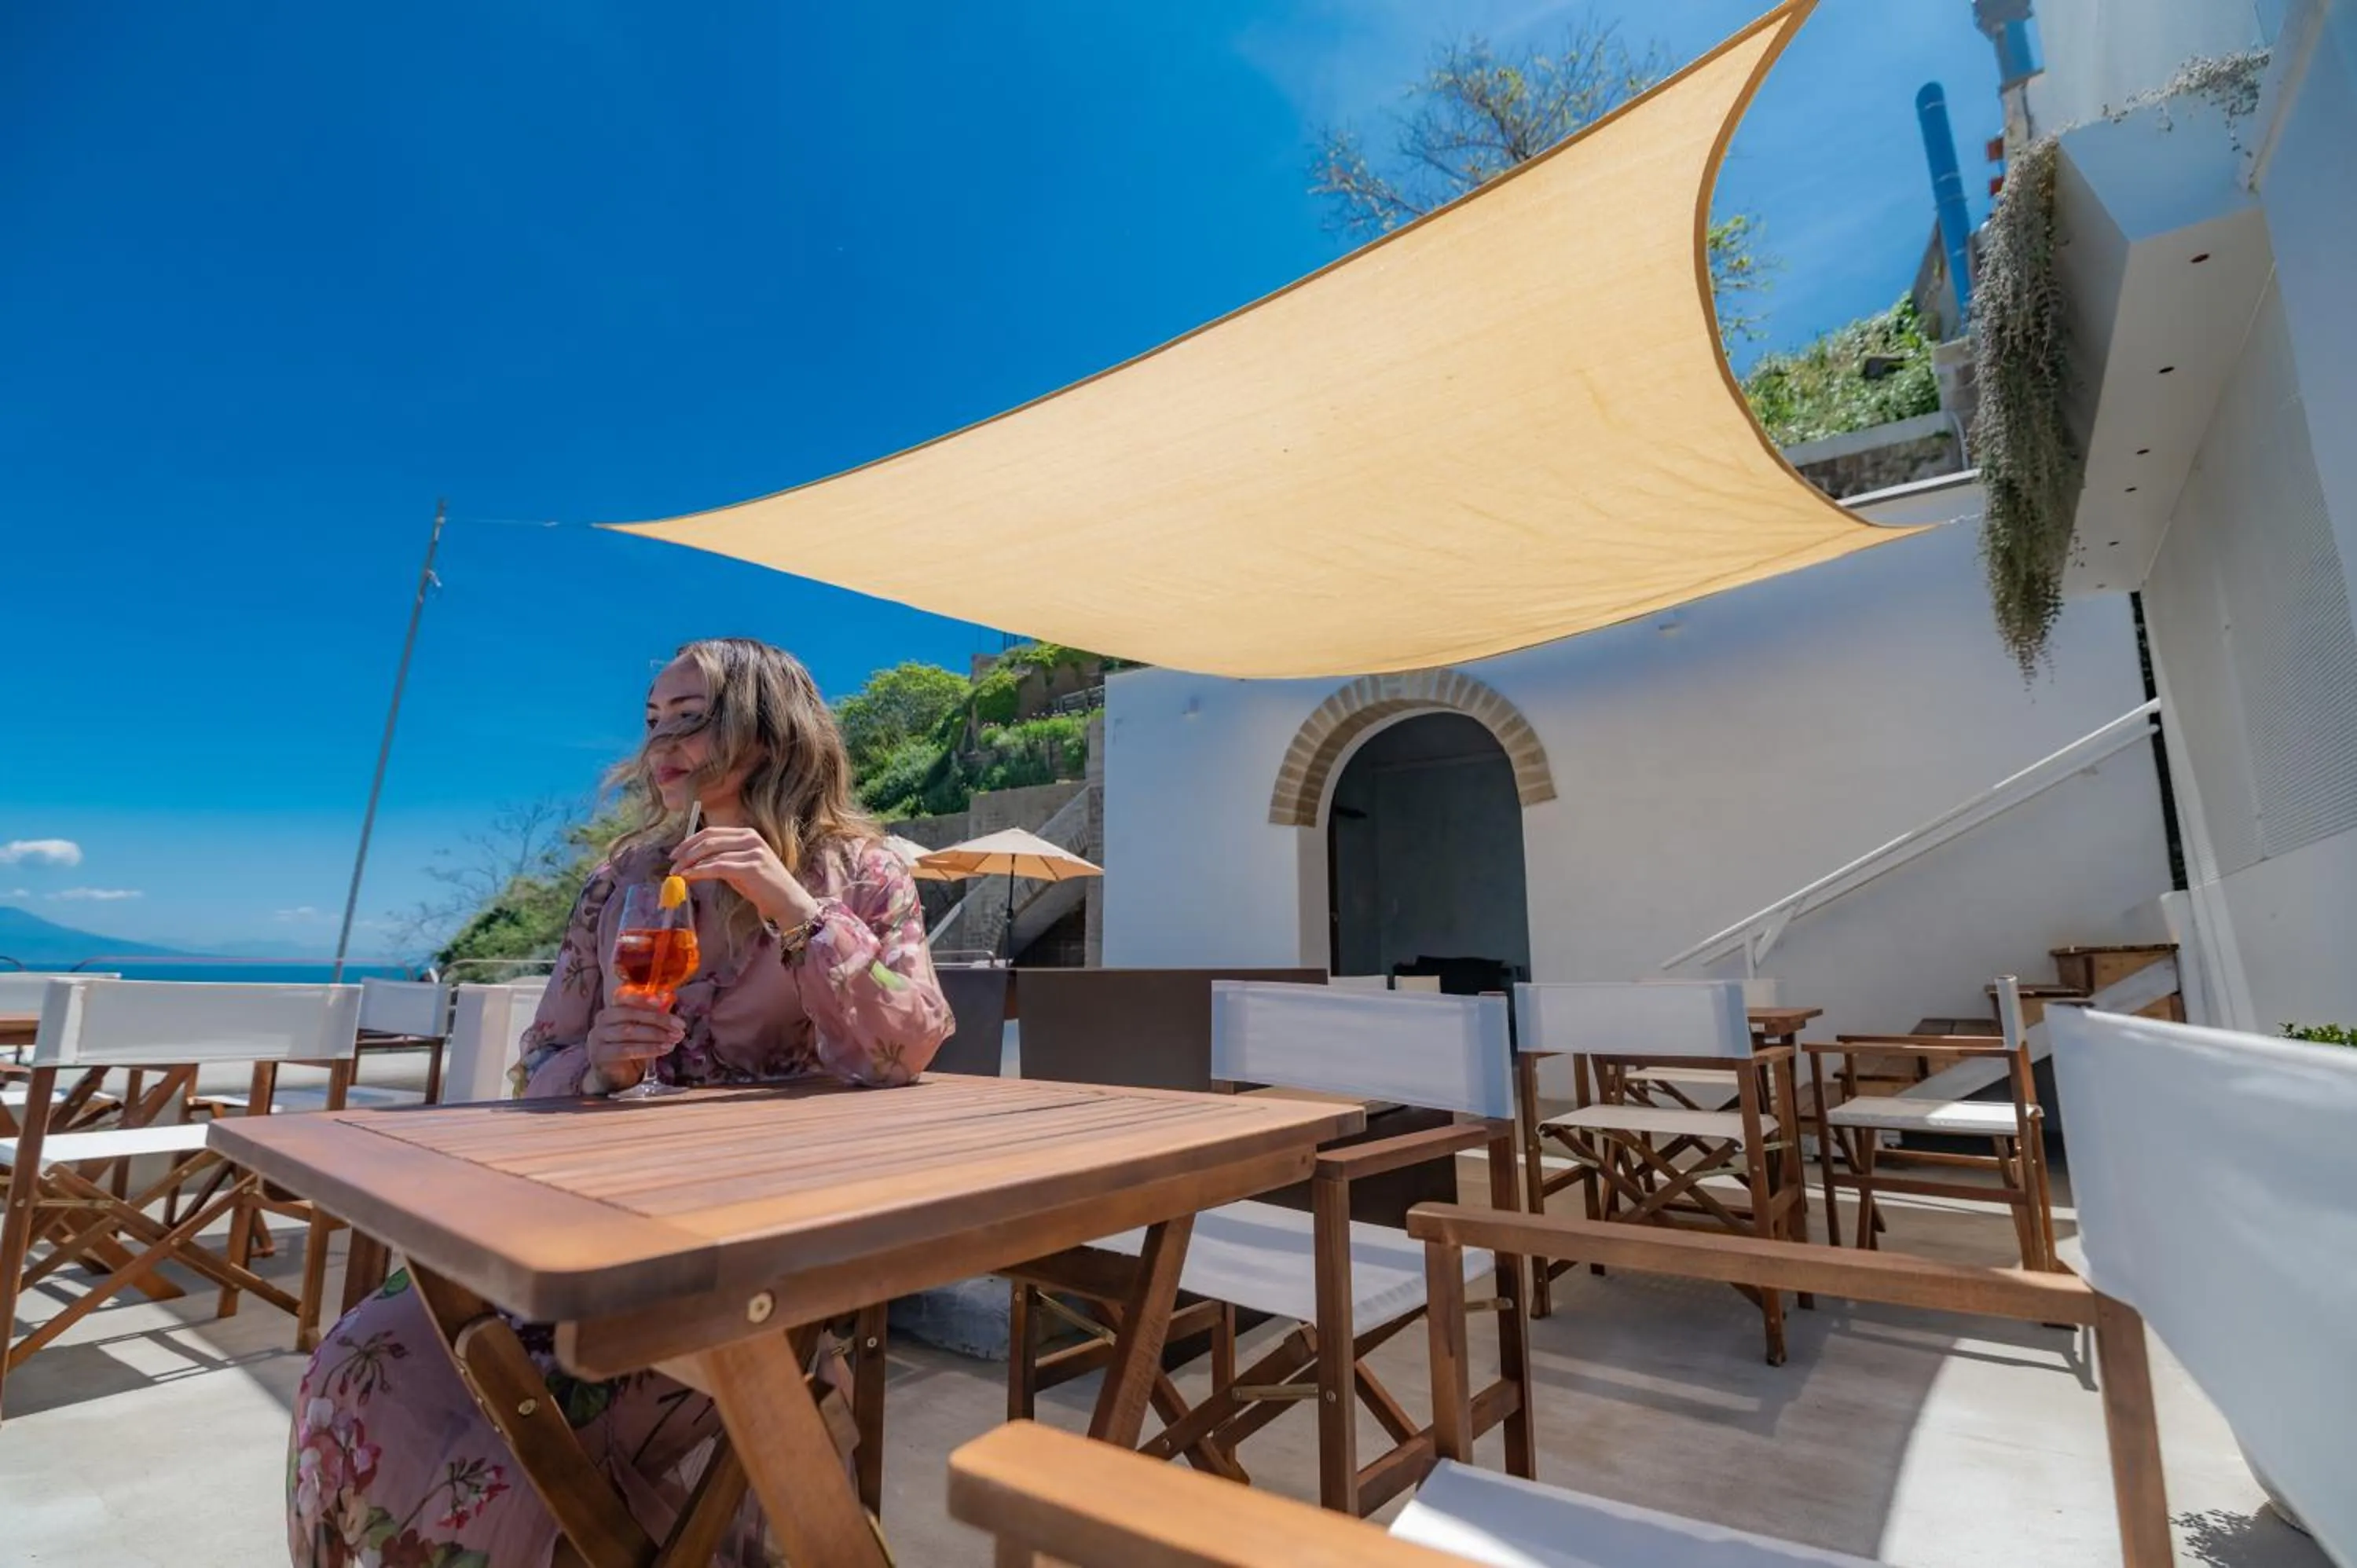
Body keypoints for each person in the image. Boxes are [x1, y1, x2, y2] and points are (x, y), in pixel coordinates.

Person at [287, 638, 952, 1567]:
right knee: (362, 1362)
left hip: (760, 1232)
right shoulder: (623, 879)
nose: (661, 744)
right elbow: (540, 1059)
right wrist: (598, 1069)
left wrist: (792, 906)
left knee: (534, 1444)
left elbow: (906, 1046)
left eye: (691, 718)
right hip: (592, 1211)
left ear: (771, 733)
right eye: (652, 721)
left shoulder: (863, 874)